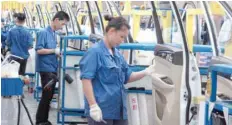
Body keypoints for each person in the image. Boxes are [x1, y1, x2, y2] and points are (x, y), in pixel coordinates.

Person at [79, 15, 156, 125]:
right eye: (121, 37)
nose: (122, 41)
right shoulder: (94, 53)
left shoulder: (117, 55)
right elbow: (86, 80)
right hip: (102, 110)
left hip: (118, 109)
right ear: (111, 31)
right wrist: (93, 105)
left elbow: (127, 77)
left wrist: (146, 72)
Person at [35, 11, 69, 125]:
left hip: (52, 68)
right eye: (62, 24)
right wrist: (54, 51)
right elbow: (39, 50)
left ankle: (44, 120)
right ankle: (40, 121)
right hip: (46, 69)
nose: (62, 26)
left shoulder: (54, 34)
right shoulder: (44, 32)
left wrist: (57, 53)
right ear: (56, 20)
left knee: (48, 97)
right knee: (46, 96)